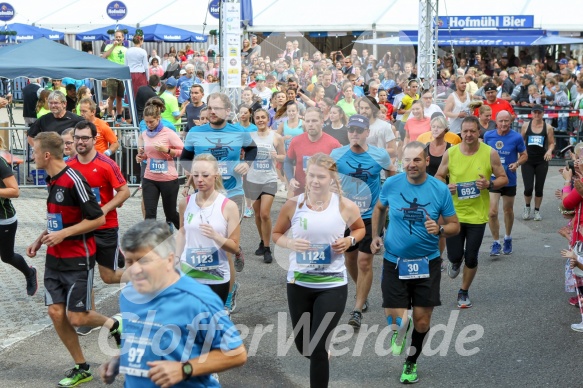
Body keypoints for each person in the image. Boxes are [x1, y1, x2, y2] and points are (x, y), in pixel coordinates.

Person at [99, 220, 247, 387]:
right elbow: (140, 340)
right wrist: (120, 361)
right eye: (130, 262)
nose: (135, 270)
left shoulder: (198, 300)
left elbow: (236, 353)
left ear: (169, 260)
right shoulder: (129, 294)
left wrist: (184, 369)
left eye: (144, 261)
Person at [25, 132, 121, 388]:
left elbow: (98, 219)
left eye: (34, 152)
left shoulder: (73, 180)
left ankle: (113, 324)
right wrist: (40, 238)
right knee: (56, 313)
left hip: (79, 257)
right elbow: (58, 218)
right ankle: (81, 367)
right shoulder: (51, 179)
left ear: (46, 155)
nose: (31, 157)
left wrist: (63, 234)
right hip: (54, 259)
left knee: (77, 317)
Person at [272, 153, 365, 388]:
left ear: (332, 179)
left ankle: (322, 354)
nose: (314, 181)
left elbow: (360, 228)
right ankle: (320, 353)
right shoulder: (293, 205)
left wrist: (350, 241)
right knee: (305, 346)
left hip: (332, 285)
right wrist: (290, 243)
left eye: (321, 177)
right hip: (299, 283)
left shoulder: (344, 205)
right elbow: (276, 234)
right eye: (311, 175)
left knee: (318, 345)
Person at [371, 141, 460, 385]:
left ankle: (411, 362)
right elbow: (379, 208)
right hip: (394, 261)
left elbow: (455, 226)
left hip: (427, 263)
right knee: (397, 321)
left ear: (427, 161)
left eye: (417, 160)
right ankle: (399, 332)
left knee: (421, 321)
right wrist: (375, 236)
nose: (411, 165)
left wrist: (440, 229)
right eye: (407, 160)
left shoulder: (438, 190)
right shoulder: (391, 183)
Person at [180, 92, 258, 312]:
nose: (212, 111)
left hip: (232, 192)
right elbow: (185, 159)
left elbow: (252, 149)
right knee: (211, 242)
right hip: (205, 195)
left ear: (227, 111)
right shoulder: (195, 132)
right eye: (209, 108)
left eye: (216, 108)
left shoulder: (239, 131)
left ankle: (227, 296)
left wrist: (247, 164)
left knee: (224, 248)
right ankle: (231, 254)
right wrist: (197, 177)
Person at [435, 116, 508, 308]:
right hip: (454, 215)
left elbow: (503, 178)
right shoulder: (450, 153)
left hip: (477, 214)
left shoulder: (490, 153)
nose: (468, 135)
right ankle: (455, 261)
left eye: (472, 131)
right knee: (455, 255)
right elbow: (438, 176)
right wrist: (445, 186)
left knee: (472, 256)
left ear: (478, 132)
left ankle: (463, 291)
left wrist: (489, 184)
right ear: (461, 133)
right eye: (465, 131)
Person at [66, 120, 130, 334]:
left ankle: (148, 275)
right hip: (81, 229)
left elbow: (124, 192)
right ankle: (89, 317)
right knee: (85, 273)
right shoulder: (69, 166)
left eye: (85, 138)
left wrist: (104, 209)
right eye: (77, 137)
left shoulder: (106, 164)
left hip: (105, 227)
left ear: (95, 139)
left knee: (108, 276)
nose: (80, 142)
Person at [331, 114, 392, 329]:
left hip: (369, 217)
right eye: (351, 130)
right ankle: (361, 291)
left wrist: (387, 200)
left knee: (365, 261)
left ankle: (357, 309)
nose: (355, 134)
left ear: (367, 132)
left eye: (359, 130)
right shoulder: (337, 154)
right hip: (345, 217)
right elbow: (329, 178)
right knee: (350, 260)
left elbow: (392, 175)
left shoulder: (379, 155)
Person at [177, 154, 241, 304]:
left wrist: (216, 236)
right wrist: (175, 259)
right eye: (196, 174)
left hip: (216, 276)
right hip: (190, 273)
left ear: (216, 176)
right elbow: (182, 232)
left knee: (212, 324)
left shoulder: (229, 206)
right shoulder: (184, 203)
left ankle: (229, 300)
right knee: (191, 322)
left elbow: (234, 246)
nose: (199, 179)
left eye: (205, 175)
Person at [484, 110, 527, 256]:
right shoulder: (488, 136)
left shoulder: (516, 137)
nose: (503, 124)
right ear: (496, 121)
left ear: (510, 121)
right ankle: (496, 242)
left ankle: (507, 237)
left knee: (508, 210)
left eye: (506, 121)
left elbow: (524, 155)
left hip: (509, 179)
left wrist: (516, 163)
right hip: (493, 179)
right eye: (501, 121)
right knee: (492, 212)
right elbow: (483, 154)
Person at [245, 109, 285, 263]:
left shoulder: (276, 137)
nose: (260, 120)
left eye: (263, 117)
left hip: (269, 178)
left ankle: (267, 248)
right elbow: (245, 156)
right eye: (258, 118)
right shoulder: (250, 137)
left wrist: (277, 156)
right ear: (254, 120)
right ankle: (262, 241)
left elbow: (284, 155)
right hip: (253, 179)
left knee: (265, 214)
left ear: (268, 119)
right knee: (257, 215)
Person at [136, 99, 184, 229]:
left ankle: (188, 236)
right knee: (149, 215)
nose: (149, 124)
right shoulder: (145, 134)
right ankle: (151, 245)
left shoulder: (168, 133)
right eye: (146, 122)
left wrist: (167, 150)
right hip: (150, 178)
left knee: (171, 214)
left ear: (159, 118)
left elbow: (184, 151)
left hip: (168, 179)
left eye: (151, 121)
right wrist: (141, 156)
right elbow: (149, 154)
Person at [0, 137, 37, 296]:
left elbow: (15, 191)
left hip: (4, 219)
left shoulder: (0, 163)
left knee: (7, 257)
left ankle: (30, 273)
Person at [284, 107, 341, 197]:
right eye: (307, 121)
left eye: (314, 121)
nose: (310, 124)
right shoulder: (296, 141)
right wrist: (291, 179)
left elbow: (340, 169)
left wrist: (333, 184)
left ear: (322, 122)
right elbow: (287, 161)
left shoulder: (333, 144)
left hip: (323, 195)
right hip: (301, 193)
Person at [521, 104, 555, 221]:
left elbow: (551, 142)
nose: (537, 115)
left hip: (542, 160)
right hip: (528, 161)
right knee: (528, 188)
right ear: (532, 113)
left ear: (543, 113)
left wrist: (549, 151)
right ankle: (527, 207)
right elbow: (520, 141)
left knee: (539, 188)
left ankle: (537, 210)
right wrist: (521, 153)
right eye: (535, 112)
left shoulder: (548, 127)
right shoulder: (526, 125)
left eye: (539, 113)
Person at [101, 31, 127, 123]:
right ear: (114, 38)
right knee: (111, 96)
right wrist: (113, 46)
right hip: (112, 73)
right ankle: (109, 114)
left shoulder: (125, 49)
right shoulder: (109, 46)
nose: (118, 38)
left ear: (123, 38)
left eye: (120, 37)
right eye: (116, 37)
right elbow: (104, 56)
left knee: (120, 97)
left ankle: (119, 115)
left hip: (122, 74)